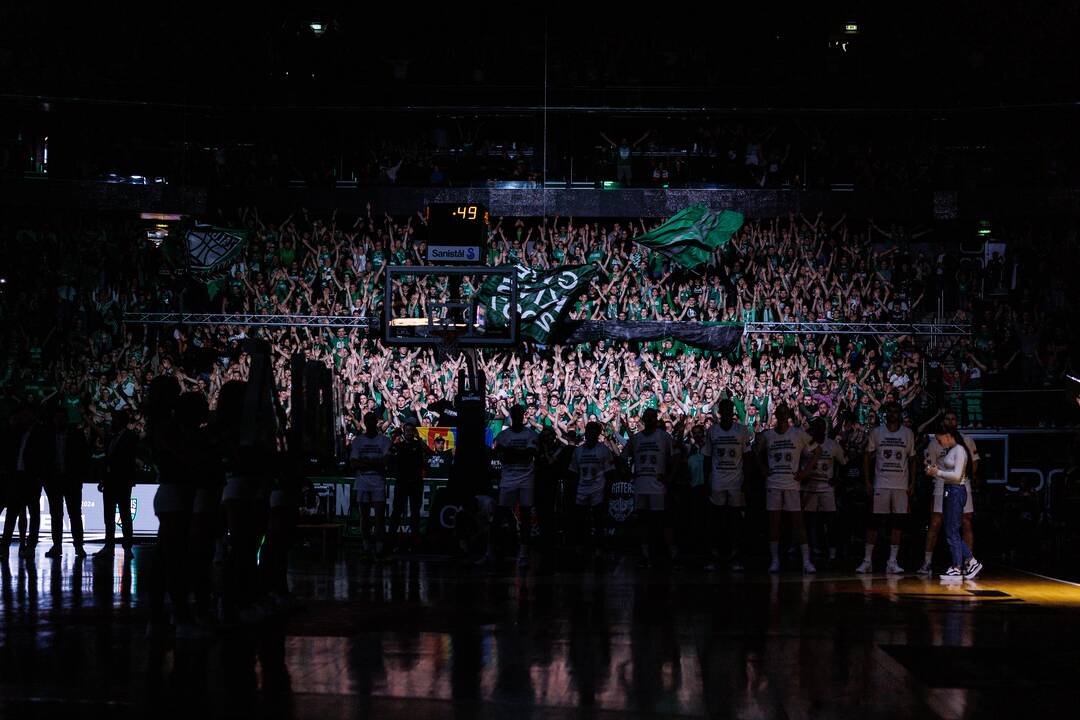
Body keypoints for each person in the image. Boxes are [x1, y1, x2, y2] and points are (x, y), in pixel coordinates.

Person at [756, 404, 817, 573]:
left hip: (792, 484)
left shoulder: (798, 434)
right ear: (775, 415)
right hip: (773, 483)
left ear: (788, 415)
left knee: (799, 523)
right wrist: (762, 468)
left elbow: (817, 450)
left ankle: (806, 561)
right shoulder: (767, 435)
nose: (782, 416)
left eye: (785, 413)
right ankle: (775, 561)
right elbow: (755, 451)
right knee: (774, 523)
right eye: (779, 413)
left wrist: (805, 472)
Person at [856, 403, 916, 574]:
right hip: (881, 483)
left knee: (897, 523)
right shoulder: (877, 432)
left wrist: (912, 483)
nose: (893, 414)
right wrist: (867, 481)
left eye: (896, 411)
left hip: (900, 485)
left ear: (900, 414)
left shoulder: (908, 433)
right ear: (885, 414)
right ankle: (867, 561)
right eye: (890, 411)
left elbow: (913, 459)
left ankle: (892, 561)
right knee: (873, 522)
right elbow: (867, 456)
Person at [919, 409, 979, 575]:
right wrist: (933, 472)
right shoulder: (936, 443)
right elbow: (928, 464)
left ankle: (967, 563)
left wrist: (968, 479)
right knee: (937, 523)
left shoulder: (964, 441)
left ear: (957, 422)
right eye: (947, 419)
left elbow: (973, 464)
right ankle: (928, 562)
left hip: (960, 484)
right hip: (942, 486)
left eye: (953, 419)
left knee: (964, 523)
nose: (950, 421)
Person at [487, 404, 539, 568]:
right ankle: (490, 552)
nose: (517, 417)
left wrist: (510, 452)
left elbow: (529, 455)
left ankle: (524, 553)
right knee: (499, 515)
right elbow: (508, 454)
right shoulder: (503, 435)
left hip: (526, 479)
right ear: (511, 415)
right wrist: (519, 453)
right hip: (508, 478)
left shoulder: (531, 434)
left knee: (525, 516)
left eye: (519, 414)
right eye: (514, 414)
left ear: (523, 415)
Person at [702, 398, 750, 571]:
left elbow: (747, 457)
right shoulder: (712, 431)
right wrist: (707, 479)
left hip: (736, 481)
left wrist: (746, 481)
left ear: (733, 412)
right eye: (725, 409)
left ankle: (735, 555)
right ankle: (715, 556)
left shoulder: (742, 430)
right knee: (716, 519)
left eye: (730, 409)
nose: (728, 412)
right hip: (717, 481)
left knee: (734, 520)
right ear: (720, 413)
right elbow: (707, 457)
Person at [35, 406, 89, 559]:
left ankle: (78, 546)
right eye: (57, 417)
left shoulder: (76, 434)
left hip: (71, 480)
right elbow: (43, 458)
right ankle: (57, 545)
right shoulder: (48, 436)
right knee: (56, 515)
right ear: (54, 419)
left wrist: (80, 478)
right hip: (54, 481)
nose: (59, 420)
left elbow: (85, 456)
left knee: (75, 514)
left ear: (66, 419)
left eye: (62, 417)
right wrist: (45, 479)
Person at [622, 408, 674, 568]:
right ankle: (645, 555)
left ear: (656, 418)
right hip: (641, 485)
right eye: (648, 417)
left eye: (653, 417)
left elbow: (674, 457)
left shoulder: (664, 437)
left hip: (658, 486)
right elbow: (623, 456)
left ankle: (665, 555)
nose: (650, 419)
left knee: (661, 522)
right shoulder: (636, 438)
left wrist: (669, 477)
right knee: (643, 522)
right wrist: (629, 474)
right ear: (643, 420)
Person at [801, 416, 847, 564]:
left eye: (821, 427)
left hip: (827, 488)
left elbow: (843, 463)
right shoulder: (806, 445)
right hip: (809, 487)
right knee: (809, 521)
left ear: (825, 429)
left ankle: (832, 554)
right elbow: (798, 463)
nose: (818, 429)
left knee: (830, 522)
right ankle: (811, 551)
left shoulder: (832, 445)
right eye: (816, 427)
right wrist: (803, 476)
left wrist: (837, 478)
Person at [568, 421, 616, 561]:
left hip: (598, 490)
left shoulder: (603, 450)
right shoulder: (578, 451)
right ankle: (581, 548)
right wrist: (573, 491)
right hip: (582, 490)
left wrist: (607, 492)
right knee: (580, 521)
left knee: (598, 521)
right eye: (589, 431)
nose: (591, 434)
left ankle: (599, 550)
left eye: (594, 432)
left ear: (597, 433)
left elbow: (610, 473)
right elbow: (573, 473)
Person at [350, 411, 392, 561]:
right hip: (363, 483)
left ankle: (379, 547)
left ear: (375, 423)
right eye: (367, 421)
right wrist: (376, 463)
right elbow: (354, 463)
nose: (369, 424)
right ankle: (367, 547)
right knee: (364, 517)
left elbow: (386, 462)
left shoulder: (384, 440)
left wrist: (365, 464)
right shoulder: (358, 441)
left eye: (371, 421)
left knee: (380, 517)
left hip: (378, 482)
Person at [98, 409, 138, 556]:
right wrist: (103, 479)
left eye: (114, 419)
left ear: (121, 421)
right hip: (109, 482)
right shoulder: (111, 437)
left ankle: (127, 547)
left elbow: (128, 460)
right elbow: (106, 459)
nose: (112, 422)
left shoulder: (130, 437)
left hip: (122, 482)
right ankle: (109, 546)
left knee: (125, 514)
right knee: (108, 515)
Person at [388, 423, 428, 551]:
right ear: (404, 432)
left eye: (412, 430)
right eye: (407, 430)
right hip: (402, 482)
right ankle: (391, 540)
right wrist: (393, 439)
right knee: (397, 510)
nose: (409, 433)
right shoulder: (399, 446)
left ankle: (414, 540)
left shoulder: (418, 445)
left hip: (416, 482)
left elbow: (430, 452)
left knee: (415, 512)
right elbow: (388, 454)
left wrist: (419, 438)